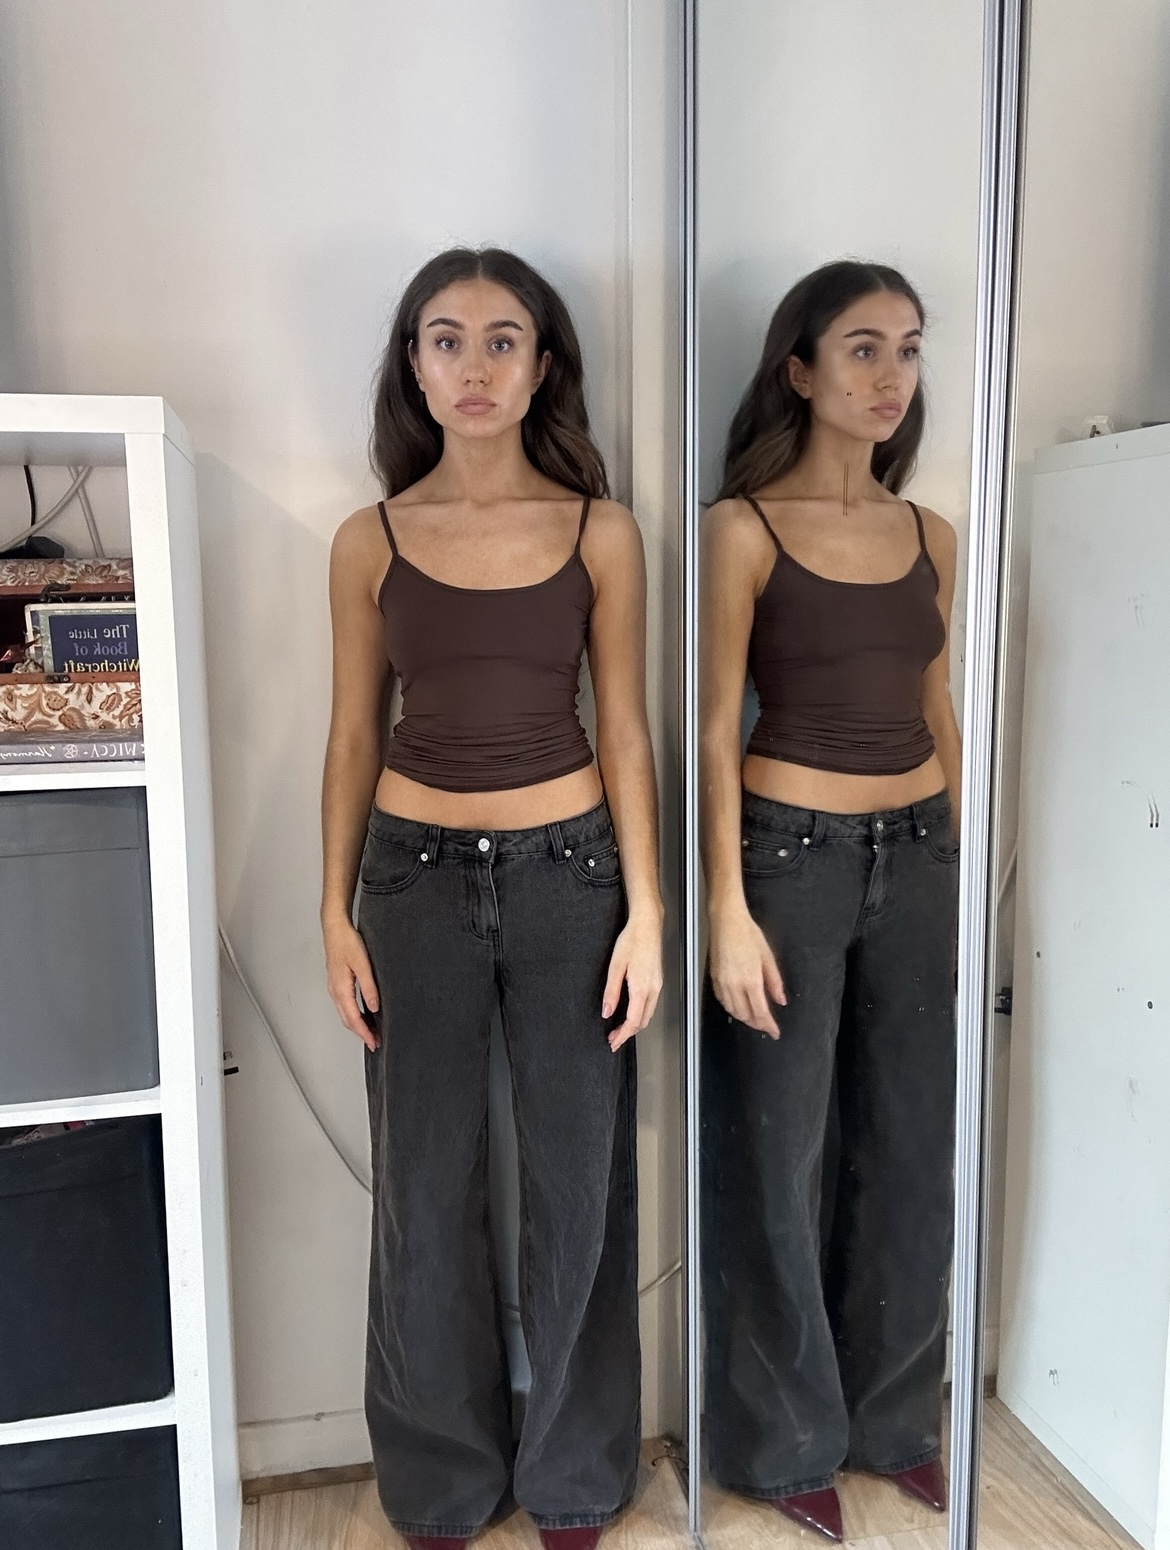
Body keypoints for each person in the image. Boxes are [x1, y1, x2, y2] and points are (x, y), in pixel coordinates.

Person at [321, 247, 663, 1550]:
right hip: (408, 884)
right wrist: (330, 909)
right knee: (423, 1185)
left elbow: (622, 730)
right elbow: (353, 733)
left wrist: (647, 910)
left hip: (571, 879)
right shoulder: (368, 539)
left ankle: (577, 1475)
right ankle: (439, 1482)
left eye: (502, 338)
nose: (474, 365)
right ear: (413, 365)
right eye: (446, 338)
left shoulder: (600, 530)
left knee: (580, 1183)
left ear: (542, 364)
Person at [699, 261, 961, 1543]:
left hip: (917, 855)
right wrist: (725, 905)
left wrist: (962, 854)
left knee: (912, 1143)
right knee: (778, 1150)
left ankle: (898, 1421)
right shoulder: (742, 528)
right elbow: (711, 724)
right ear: (798, 370)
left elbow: (936, 706)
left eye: (908, 347)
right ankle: (783, 1439)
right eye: (862, 347)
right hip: (787, 855)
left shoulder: (932, 534)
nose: (890, 374)